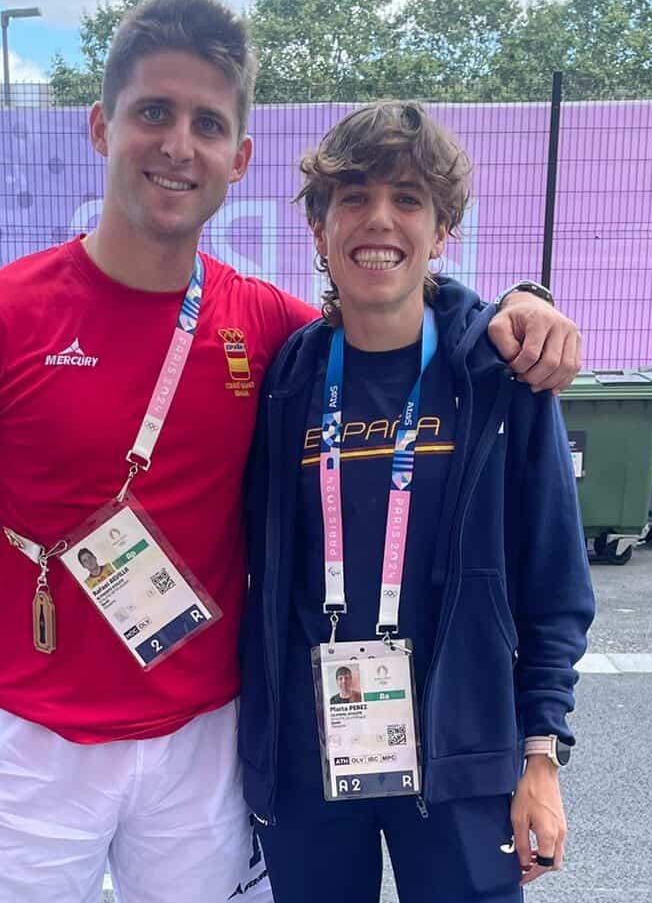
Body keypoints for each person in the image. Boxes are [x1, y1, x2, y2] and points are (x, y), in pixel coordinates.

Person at [0, 0, 584, 903]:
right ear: (101, 127)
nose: (178, 145)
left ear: (237, 156)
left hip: (201, 744)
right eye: (153, 113)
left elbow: (393, 312)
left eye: (206, 123)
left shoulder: (269, 331)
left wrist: (514, 305)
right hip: (30, 739)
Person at [237, 102, 595, 903]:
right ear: (320, 230)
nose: (379, 220)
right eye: (354, 197)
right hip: (309, 753)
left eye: (406, 199)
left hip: (462, 754)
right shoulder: (288, 379)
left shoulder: (501, 376)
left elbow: (554, 583)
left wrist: (540, 752)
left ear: (440, 232)